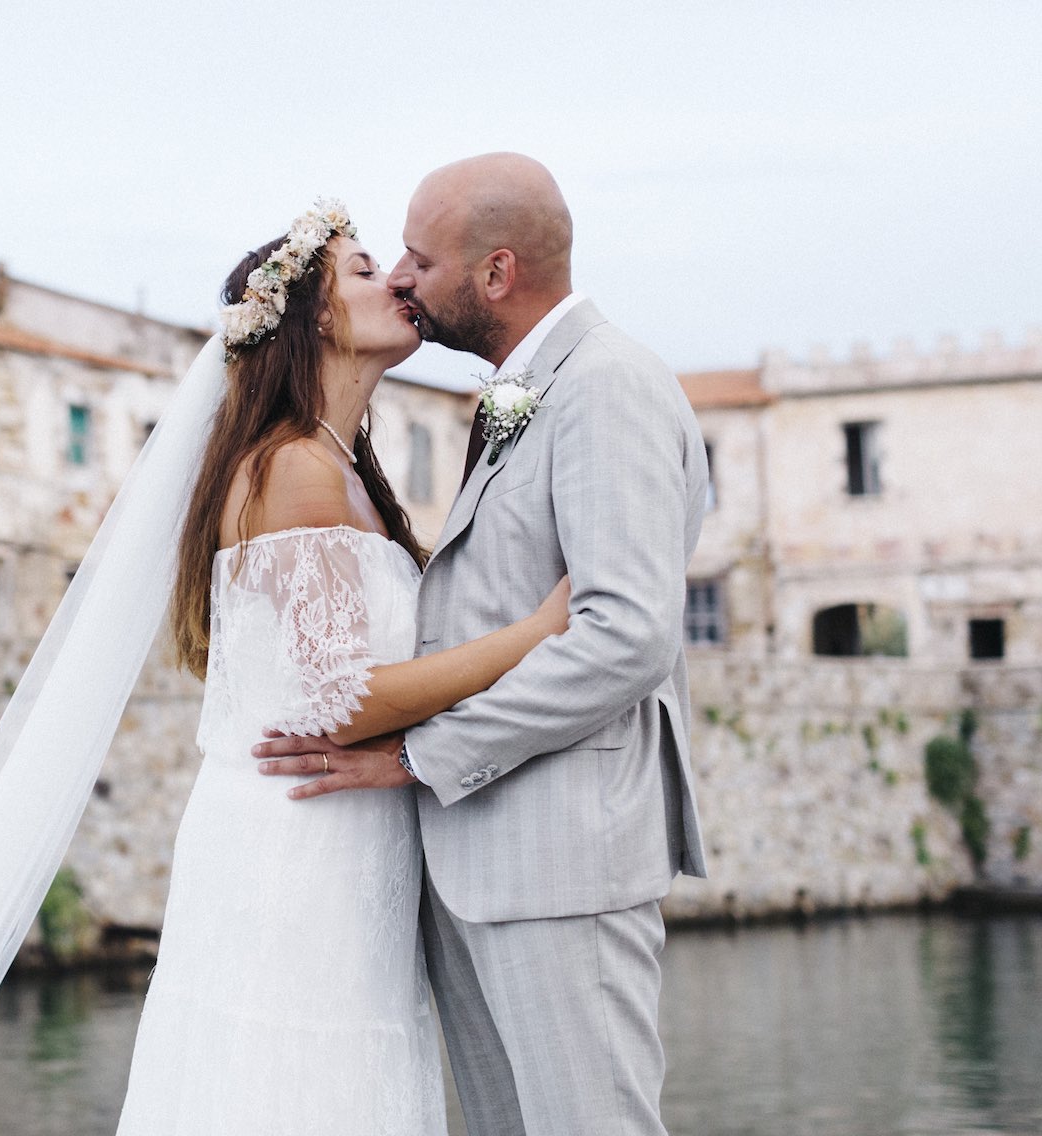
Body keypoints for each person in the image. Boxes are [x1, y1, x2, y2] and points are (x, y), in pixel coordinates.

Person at [255, 154, 710, 1135]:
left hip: (562, 859)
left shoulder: (607, 386)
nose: (405, 278)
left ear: (496, 274)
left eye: (420, 257)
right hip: (475, 865)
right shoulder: (522, 394)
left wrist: (422, 754)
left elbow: (629, 633)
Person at [114, 199, 570, 1134]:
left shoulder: (339, 467)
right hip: (301, 846)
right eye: (366, 271)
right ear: (316, 317)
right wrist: (538, 633)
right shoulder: (293, 469)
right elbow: (340, 698)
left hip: (345, 837)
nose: (398, 280)